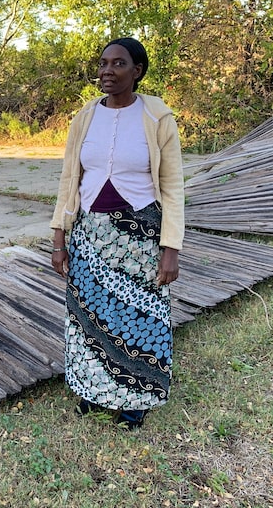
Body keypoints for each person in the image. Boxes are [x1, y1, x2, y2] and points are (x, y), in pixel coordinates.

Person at [50, 37, 184, 428]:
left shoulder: (158, 118)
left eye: (118, 64)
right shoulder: (85, 117)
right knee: (89, 316)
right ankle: (94, 389)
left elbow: (173, 187)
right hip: (89, 233)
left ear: (137, 71)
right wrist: (59, 238)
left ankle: (136, 395)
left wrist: (171, 247)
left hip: (139, 233)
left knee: (138, 315)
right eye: (103, 63)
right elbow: (69, 180)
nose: (107, 71)